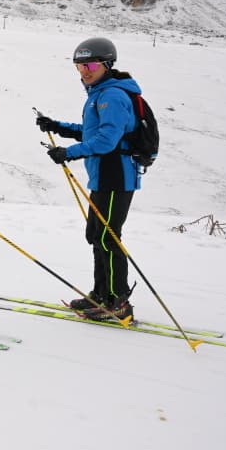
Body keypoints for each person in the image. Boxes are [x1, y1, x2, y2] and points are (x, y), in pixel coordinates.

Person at [35, 37, 142, 320]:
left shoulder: (113, 96)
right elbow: (93, 131)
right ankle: (101, 295)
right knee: (97, 235)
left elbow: (106, 140)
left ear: (106, 64)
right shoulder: (99, 93)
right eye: (79, 66)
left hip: (116, 176)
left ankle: (117, 301)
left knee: (108, 238)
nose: (85, 70)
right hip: (103, 176)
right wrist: (58, 127)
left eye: (90, 64)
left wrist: (69, 153)